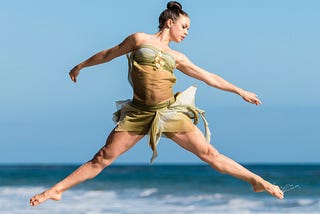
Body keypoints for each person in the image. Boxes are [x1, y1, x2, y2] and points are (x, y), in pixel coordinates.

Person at [30, 1, 284, 206]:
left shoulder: (178, 56)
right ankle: (55, 191)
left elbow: (209, 77)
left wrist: (240, 90)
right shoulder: (139, 39)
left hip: (168, 112)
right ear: (170, 22)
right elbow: (109, 54)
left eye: (188, 29)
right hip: (139, 113)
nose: (186, 33)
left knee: (210, 153)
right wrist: (81, 65)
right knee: (102, 157)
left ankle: (256, 180)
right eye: (184, 27)